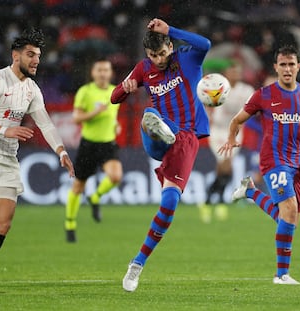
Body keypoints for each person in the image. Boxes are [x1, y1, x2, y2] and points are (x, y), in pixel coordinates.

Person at [0, 28, 75, 296]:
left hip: (7, 160)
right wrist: (3, 130)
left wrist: (61, 151)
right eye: (30, 55)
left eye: (38, 56)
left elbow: (45, 123)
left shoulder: (32, 89)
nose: (36, 61)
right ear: (15, 55)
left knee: (2, 224)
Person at [110, 18, 211, 292]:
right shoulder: (144, 69)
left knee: (169, 204)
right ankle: (157, 127)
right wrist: (125, 90)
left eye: (163, 53)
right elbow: (114, 97)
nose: (158, 59)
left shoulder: (188, 60)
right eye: (153, 55)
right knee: (150, 115)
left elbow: (205, 43)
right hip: (157, 139)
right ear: (147, 54)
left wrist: (171, 30)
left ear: (170, 46)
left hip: (185, 140)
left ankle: (137, 264)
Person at [219, 45, 300, 285]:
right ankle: (281, 275)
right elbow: (237, 120)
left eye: (291, 64)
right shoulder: (263, 95)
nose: (287, 69)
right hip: (274, 160)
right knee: (287, 211)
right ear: (276, 67)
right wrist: (231, 138)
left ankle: (250, 192)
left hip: (299, 162)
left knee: (291, 220)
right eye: (283, 64)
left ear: (298, 67)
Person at [64, 58, 122, 243]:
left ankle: (95, 197)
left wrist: (116, 125)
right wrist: (96, 113)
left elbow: (112, 116)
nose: (103, 73)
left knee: (115, 176)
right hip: (88, 145)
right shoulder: (86, 92)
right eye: (99, 70)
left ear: (111, 73)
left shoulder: (116, 91)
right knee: (78, 187)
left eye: (106, 70)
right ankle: (70, 223)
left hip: (108, 143)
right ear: (93, 73)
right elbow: (76, 118)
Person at [199, 59, 255, 223]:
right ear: (226, 74)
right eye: (232, 72)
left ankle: (209, 201)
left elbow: (252, 108)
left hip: (235, 131)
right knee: (226, 165)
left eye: (238, 72)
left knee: (224, 169)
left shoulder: (247, 90)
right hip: (218, 131)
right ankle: (219, 201)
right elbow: (204, 100)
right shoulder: (219, 87)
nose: (235, 74)